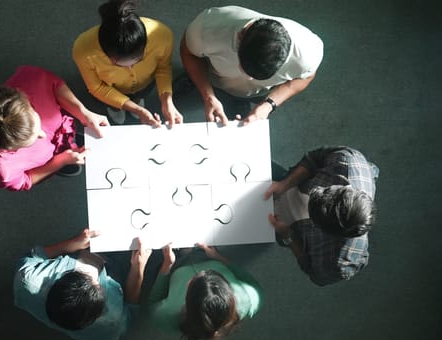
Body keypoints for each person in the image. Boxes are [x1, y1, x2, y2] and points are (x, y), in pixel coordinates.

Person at [180, 5, 324, 125]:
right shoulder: (207, 28)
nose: (249, 80)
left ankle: (241, 99)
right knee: (193, 75)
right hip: (212, 77)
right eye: (244, 69)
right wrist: (208, 96)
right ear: (240, 36)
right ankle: (196, 82)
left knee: (245, 98)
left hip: (258, 94)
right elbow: (188, 53)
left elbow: (305, 77)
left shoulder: (309, 51)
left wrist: (268, 105)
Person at [0, 65, 109, 191]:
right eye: (30, 141)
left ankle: (68, 143)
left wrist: (83, 113)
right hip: (47, 162)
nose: (43, 135)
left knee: (72, 142)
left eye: (37, 124)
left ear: (27, 101)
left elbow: (55, 85)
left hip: (63, 132)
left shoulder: (30, 79)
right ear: (8, 148)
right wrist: (59, 162)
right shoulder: (2, 169)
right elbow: (24, 181)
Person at [13, 229, 152, 340]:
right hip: (114, 268)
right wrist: (138, 267)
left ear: (60, 280)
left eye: (82, 273)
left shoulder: (28, 280)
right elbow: (131, 307)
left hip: (78, 252)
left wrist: (72, 243)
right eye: (98, 284)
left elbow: (34, 255)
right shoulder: (112, 325)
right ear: (101, 309)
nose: (93, 271)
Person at [264, 146, 379, 286]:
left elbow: (313, 272)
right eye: (323, 190)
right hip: (286, 183)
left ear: (330, 234)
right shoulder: (347, 161)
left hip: (284, 229)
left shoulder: (339, 263)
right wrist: (284, 184)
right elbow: (314, 159)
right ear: (344, 187)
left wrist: (288, 236)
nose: (314, 193)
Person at [73, 0, 182, 127]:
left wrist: (167, 100)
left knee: (141, 93)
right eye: (118, 65)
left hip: (145, 84)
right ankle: (116, 107)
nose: (129, 69)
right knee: (111, 102)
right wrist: (137, 110)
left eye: (138, 61)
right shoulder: (83, 50)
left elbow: (163, 67)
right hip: (110, 87)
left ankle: (134, 101)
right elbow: (98, 87)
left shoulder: (162, 35)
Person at [148, 243, 261, 340]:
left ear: (189, 284)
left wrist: (167, 265)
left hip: (178, 263)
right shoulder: (247, 300)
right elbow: (253, 284)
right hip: (209, 255)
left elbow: (153, 301)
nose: (203, 271)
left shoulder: (168, 314)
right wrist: (219, 258)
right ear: (228, 286)